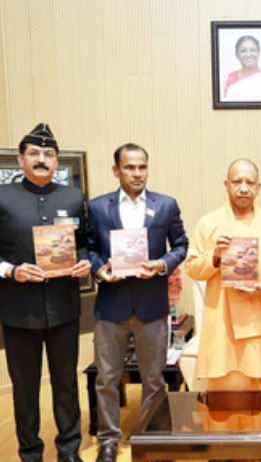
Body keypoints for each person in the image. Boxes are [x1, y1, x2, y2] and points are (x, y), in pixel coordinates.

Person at [88, 143, 188, 462]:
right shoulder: (97, 207)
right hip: (111, 307)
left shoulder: (166, 205)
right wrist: (99, 270)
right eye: (129, 167)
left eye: (142, 167)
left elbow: (181, 245)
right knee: (106, 379)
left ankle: (150, 436)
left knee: (154, 380)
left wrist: (162, 264)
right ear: (116, 170)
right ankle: (108, 441)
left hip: (151, 307)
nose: (137, 173)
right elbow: (88, 249)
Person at [0, 123, 91, 462]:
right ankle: (30, 453)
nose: (41, 159)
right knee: (25, 389)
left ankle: (69, 451)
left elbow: (83, 244)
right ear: (20, 159)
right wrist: (12, 271)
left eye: (48, 154)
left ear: (56, 160)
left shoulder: (72, 197)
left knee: (67, 384)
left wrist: (85, 262)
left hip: (63, 308)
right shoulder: (2, 196)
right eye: (34, 153)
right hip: (18, 310)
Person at [185, 158, 261, 391]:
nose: (243, 188)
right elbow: (192, 267)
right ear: (226, 184)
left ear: (258, 187)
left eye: (249, 182)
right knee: (224, 403)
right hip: (222, 327)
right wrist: (215, 256)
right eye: (237, 182)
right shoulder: (208, 224)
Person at [222, 35, 261, 102]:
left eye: (253, 50)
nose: (248, 55)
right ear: (237, 55)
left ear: (259, 52)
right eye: (243, 51)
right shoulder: (231, 79)